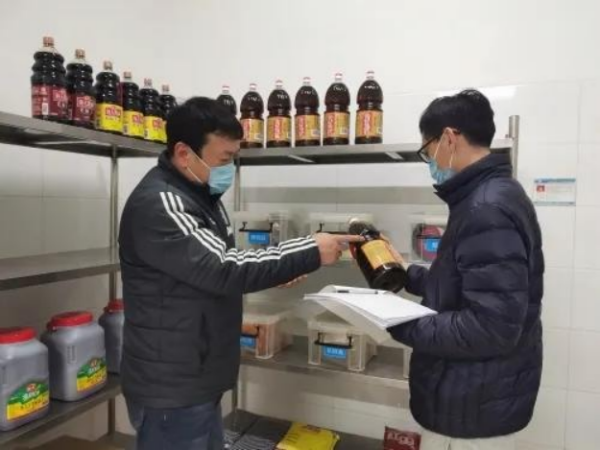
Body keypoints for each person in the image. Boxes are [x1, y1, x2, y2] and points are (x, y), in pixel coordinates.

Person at [118, 97, 361, 450]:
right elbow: (224, 268)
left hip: (198, 373)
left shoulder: (201, 197)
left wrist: (281, 268)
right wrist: (308, 250)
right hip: (171, 385)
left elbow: (218, 264)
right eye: (224, 159)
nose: (229, 169)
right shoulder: (161, 203)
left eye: (234, 158)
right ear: (184, 153)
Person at [386, 90, 544, 450]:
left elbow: (491, 327)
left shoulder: (485, 206)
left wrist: (399, 323)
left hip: (474, 402)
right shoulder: (489, 194)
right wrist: (407, 273)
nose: (429, 161)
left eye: (427, 151)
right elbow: (468, 284)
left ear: (448, 138)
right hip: (481, 393)